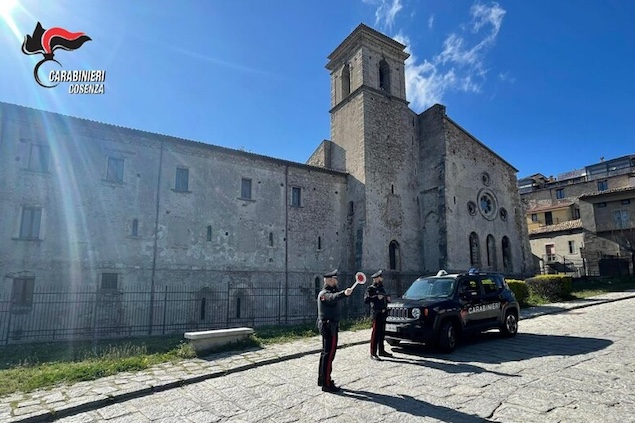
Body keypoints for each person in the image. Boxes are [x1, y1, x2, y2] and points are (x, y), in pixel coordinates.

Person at [317, 269, 352, 393]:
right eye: (335, 279)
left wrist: (345, 293)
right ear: (330, 280)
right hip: (329, 327)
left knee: (325, 354)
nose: (337, 281)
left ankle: (322, 379)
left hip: (330, 327)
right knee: (329, 355)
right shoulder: (324, 294)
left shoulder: (330, 291)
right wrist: (344, 293)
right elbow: (332, 298)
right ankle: (326, 383)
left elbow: (336, 295)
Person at [364, 269, 392, 360]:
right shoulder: (370, 289)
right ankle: (373, 353)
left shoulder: (382, 288)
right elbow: (366, 300)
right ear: (376, 279)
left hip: (383, 313)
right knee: (375, 333)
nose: (382, 279)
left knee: (382, 333)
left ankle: (381, 350)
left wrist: (387, 300)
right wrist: (376, 297)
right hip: (376, 313)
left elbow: (384, 299)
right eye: (380, 277)